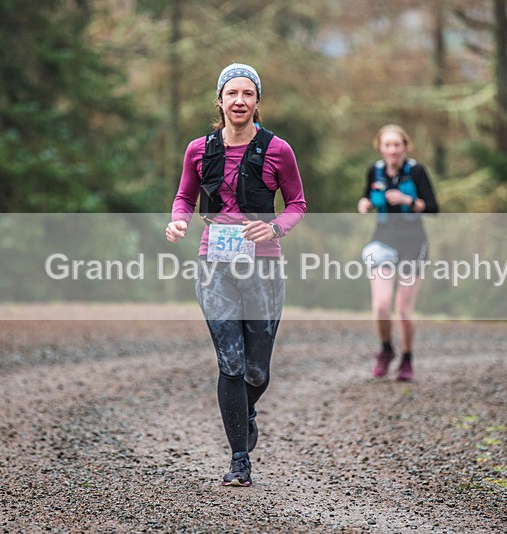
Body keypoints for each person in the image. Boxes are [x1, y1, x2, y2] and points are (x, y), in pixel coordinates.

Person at [165, 63, 306, 487]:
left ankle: (245, 410)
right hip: (214, 265)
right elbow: (184, 196)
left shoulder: (278, 149)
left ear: (257, 101)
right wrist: (179, 222)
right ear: (220, 101)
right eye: (232, 94)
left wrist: (275, 226)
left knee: (256, 371)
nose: (239, 101)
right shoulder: (198, 149)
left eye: (248, 94)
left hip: (264, 265)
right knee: (230, 362)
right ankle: (239, 459)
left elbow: (298, 202)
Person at [357, 124, 438, 382]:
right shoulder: (375, 171)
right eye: (387, 145)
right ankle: (386, 349)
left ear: (405, 146)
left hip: (413, 243)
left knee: (403, 310)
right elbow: (365, 200)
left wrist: (409, 201)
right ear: (380, 147)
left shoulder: (416, 172)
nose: (392, 149)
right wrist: (364, 204)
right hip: (383, 240)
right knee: (381, 305)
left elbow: (434, 208)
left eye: (397, 144)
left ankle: (407, 358)